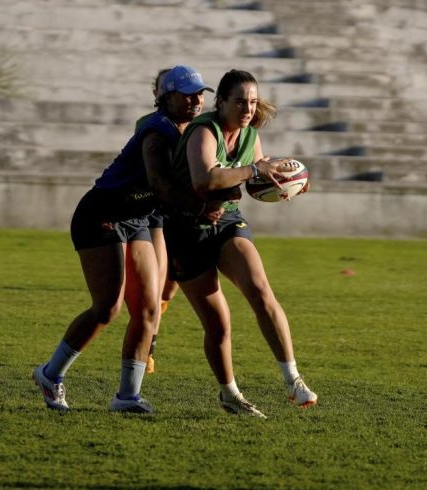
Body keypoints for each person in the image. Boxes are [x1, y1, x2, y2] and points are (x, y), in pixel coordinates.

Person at [32, 66, 214, 413]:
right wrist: (201, 205)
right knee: (107, 307)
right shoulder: (157, 131)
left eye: (199, 93)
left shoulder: (192, 131)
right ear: (166, 98)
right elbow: (161, 185)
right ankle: (50, 374)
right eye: (187, 93)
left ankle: (127, 396)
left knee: (148, 309)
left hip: (138, 217)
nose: (196, 100)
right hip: (101, 214)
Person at [163, 69, 318, 418]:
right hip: (185, 230)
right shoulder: (205, 131)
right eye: (240, 101)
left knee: (261, 290)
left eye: (252, 101)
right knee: (218, 324)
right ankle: (230, 393)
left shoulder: (250, 135)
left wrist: (286, 183)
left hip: (227, 221)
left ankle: (293, 379)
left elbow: (251, 184)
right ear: (221, 102)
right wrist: (256, 170)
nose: (248, 108)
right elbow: (206, 179)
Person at [135, 68, 182, 375]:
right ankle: (147, 347)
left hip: (184, 210)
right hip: (157, 208)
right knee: (159, 281)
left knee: (172, 284)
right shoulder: (149, 125)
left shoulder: (198, 126)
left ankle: (150, 337)